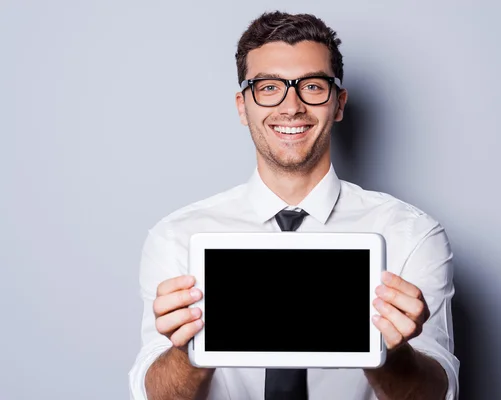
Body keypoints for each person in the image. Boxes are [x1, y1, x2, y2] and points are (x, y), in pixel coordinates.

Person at [129, 10, 459, 400]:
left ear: (338, 103)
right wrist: (187, 351)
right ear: (242, 105)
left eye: (313, 86)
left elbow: (436, 395)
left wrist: (393, 353)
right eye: (268, 87)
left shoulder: (412, 236)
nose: (291, 107)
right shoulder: (176, 238)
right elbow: (154, 395)